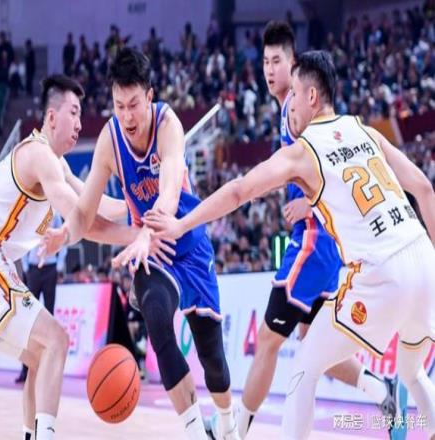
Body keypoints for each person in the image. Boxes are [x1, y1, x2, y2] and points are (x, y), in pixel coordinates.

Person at [142, 50, 435, 440]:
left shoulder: (303, 151)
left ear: (311, 96)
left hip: (383, 272)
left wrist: (181, 223)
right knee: (412, 372)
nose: (290, 105)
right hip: (423, 256)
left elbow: (240, 191)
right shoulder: (366, 131)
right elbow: (424, 189)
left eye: (294, 94)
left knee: (305, 367)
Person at [0, 74, 168, 440]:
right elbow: (80, 218)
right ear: (51, 117)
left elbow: (93, 202)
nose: (80, 124)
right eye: (74, 112)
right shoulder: (39, 156)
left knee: (41, 357)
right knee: (57, 341)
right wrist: (136, 236)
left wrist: (140, 203)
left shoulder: (56, 163)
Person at [41, 48, 240, 440]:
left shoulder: (169, 125)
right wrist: (67, 233)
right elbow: (86, 212)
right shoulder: (109, 141)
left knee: (213, 360)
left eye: (134, 104)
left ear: (150, 96)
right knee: (156, 319)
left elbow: (169, 191)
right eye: (119, 106)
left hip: (186, 241)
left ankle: (228, 424)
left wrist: (147, 231)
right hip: (154, 254)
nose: (127, 116)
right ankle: (196, 433)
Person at [214, 21, 398, 439]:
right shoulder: (287, 110)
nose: (269, 69)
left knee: (267, 340)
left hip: (313, 242)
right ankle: (379, 387)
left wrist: (309, 202)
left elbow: (332, 165)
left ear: (293, 65)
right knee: (312, 340)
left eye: (277, 61)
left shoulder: (300, 111)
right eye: (264, 62)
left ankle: (234, 430)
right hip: (322, 243)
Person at [15, 211, 67, 384]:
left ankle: (48, 370)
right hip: (33, 268)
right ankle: (26, 369)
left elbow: (63, 238)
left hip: (50, 268)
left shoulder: (56, 215)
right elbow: (23, 240)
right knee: (29, 319)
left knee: (49, 318)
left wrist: (59, 265)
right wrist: (25, 267)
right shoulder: (31, 211)